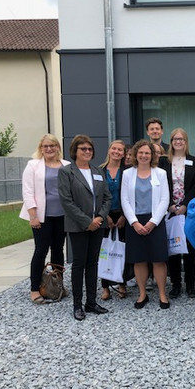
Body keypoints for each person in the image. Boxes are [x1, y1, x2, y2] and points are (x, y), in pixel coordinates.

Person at [58, 135, 112, 321]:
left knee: (93, 263)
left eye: (89, 149)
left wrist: (99, 218)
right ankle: (77, 305)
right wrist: (86, 221)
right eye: (83, 149)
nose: (87, 152)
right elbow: (66, 201)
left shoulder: (97, 170)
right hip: (78, 226)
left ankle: (91, 302)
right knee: (79, 264)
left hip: (98, 224)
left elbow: (107, 197)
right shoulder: (67, 172)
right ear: (75, 151)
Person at [20, 134, 70, 304]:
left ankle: (57, 285)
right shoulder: (33, 166)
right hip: (41, 217)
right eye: (45, 146)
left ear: (58, 148)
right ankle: (35, 289)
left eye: (52, 146)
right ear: (41, 148)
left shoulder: (67, 165)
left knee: (58, 250)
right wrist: (32, 216)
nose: (49, 149)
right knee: (41, 250)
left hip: (62, 216)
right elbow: (28, 192)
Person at [121, 139, 170, 310]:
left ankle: (163, 294)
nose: (144, 156)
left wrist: (152, 222)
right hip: (135, 220)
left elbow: (165, 199)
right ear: (135, 154)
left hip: (155, 221)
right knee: (139, 259)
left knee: (159, 259)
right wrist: (134, 222)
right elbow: (125, 200)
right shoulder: (128, 174)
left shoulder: (161, 173)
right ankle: (142, 293)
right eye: (140, 153)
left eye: (147, 153)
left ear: (152, 155)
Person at [159, 128, 195, 299]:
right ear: (171, 142)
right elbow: (161, 186)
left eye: (181, 139)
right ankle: (176, 284)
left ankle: (190, 285)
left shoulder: (194, 161)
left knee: (190, 249)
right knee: (174, 249)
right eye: (175, 139)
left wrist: (185, 205)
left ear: (186, 142)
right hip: (170, 211)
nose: (178, 142)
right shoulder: (164, 162)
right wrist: (170, 204)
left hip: (188, 211)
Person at [99, 139, 128, 301]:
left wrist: (124, 215)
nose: (117, 152)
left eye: (120, 150)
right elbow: (97, 196)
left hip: (123, 215)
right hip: (105, 215)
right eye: (114, 149)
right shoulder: (99, 171)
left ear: (124, 153)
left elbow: (131, 195)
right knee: (105, 251)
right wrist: (106, 216)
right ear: (109, 150)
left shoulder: (127, 171)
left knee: (122, 250)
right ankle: (105, 286)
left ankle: (121, 283)